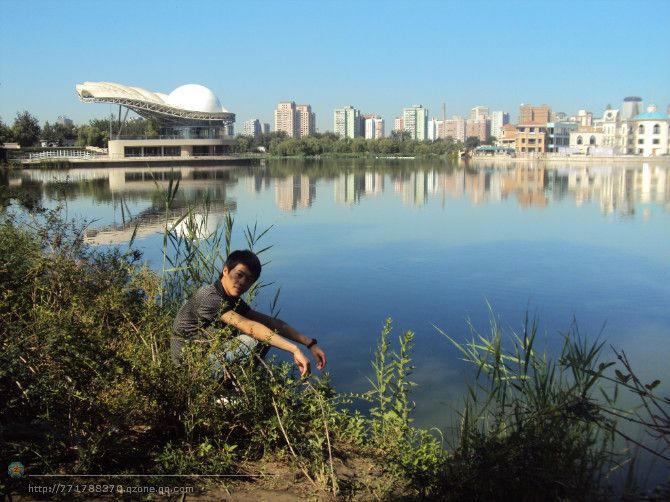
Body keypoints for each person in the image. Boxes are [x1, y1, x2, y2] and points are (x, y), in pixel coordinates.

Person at [172, 249, 326, 377]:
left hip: (201, 361)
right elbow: (249, 326)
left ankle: (231, 384)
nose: (242, 282)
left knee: (265, 331)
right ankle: (223, 390)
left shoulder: (229, 298)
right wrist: (294, 349)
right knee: (255, 339)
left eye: (249, 280)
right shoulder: (210, 297)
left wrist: (309, 343)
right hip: (187, 371)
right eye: (239, 275)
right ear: (225, 270)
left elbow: (272, 322)